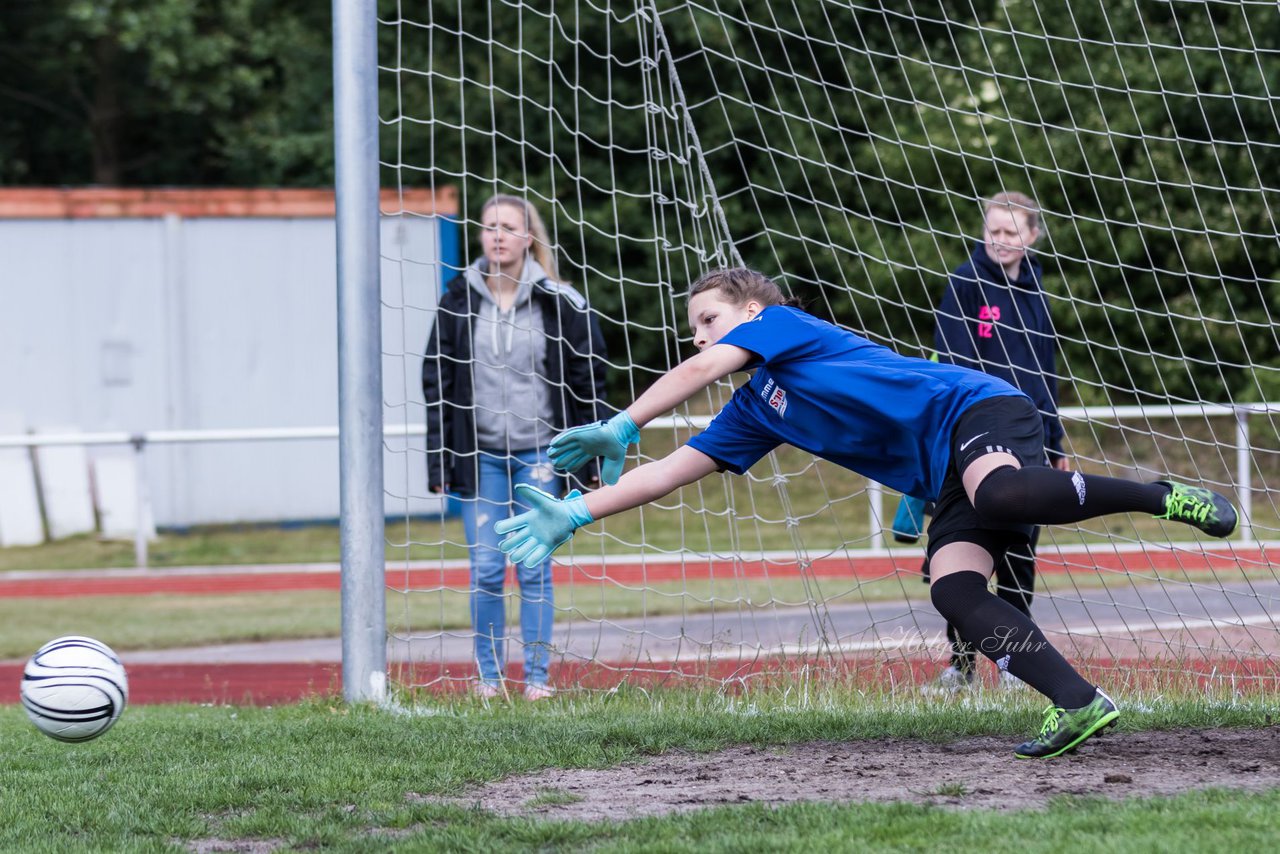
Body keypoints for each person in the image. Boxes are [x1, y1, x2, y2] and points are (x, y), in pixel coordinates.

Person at [492, 266, 1237, 757]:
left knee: (1001, 494)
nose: (699, 334)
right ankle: (1077, 701)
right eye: (693, 324)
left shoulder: (781, 327)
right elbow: (671, 473)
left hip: (979, 410)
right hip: (949, 475)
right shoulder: (755, 414)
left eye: (709, 318)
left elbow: (699, 369)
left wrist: (622, 423)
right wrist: (577, 513)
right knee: (953, 589)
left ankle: (1159, 494)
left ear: (751, 312)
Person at [421, 193, 607, 701]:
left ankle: (539, 681)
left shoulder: (559, 299)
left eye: (507, 227)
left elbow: (587, 376)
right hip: (479, 456)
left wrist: (587, 455)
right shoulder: (457, 298)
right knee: (484, 567)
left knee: (532, 566)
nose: (497, 235)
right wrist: (439, 456)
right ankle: (487, 678)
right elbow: (435, 379)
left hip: (540, 454)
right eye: (488, 227)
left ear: (529, 238)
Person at [926, 190, 1068, 692]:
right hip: (978, 434)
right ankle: (960, 667)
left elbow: (1044, 373)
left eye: (1010, 232)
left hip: (1030, 437)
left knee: (1019, 555)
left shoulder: (1036, 289)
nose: (999, 240)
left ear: (1032, 236)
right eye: (993, 230)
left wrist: (1055, 441)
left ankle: (1017, 665)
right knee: (966, 549)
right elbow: (953, 365)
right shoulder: (965, 283)